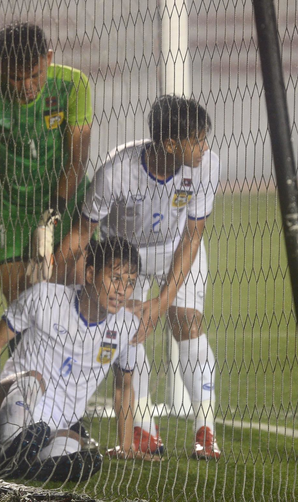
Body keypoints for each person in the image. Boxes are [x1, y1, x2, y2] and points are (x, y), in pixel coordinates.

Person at [55, 95, 222, 460]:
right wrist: (57, 274)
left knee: (187, 321)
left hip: (178, 248)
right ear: (169, 143)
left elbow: (193, 235)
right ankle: (144, 427)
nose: (204, 147)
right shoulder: (115, 173)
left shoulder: (207, 164)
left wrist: (161, 302)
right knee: (129, 329)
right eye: (197, 139)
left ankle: (205, 429)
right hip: (124, 254)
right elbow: (83, 233)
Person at [0, 238, 160, 481]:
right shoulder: (46, 298)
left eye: (130, 282)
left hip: (45, 431)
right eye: (115, 278)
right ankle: (13, 451)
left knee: (74, 444)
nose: (123, 290)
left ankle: (28, 464)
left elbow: (124, 386)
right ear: (90, 274)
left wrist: (125, 445)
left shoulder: (127, 327)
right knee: (33, 381)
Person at [0, 22, 92, 306]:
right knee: (19, 304)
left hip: (66, 201)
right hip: (14, 208)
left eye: (35, 75)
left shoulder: (73, 86)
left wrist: (50, 220)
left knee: (73, 299)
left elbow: (77, 161)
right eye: (15, 78)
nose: (27, 87)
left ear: (48, 59)